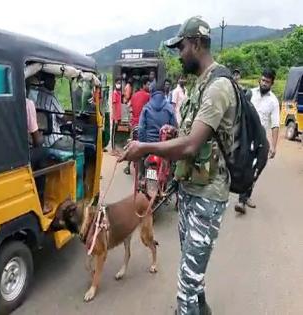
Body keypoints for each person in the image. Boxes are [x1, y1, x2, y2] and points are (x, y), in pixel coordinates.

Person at [119, 16, 237, 315]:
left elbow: (190, 146)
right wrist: (176, 133)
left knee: (186, 283)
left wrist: (145, 147)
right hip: (190, 190)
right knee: (191, 268)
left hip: (207, 196)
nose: (178, 53)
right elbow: (190, 136)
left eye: (181, 47)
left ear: (196, 44)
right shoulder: (201, 85)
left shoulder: (218, 87)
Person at [234, 68, 280, 214]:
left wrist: (273, 145)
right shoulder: (250, 94)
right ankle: (241, 201)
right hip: (246, 136)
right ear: (259, 80)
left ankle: (247, 195)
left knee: (259, 166)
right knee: (247, 166)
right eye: (263, 80)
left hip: (261, 137)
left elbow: (275, 124)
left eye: (267, 81)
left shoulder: (273, 101)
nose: (264, 83)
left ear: (272, 83)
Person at [124, 77, 150, 175]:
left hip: (134, 124)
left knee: (132, 144)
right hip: (143, 126)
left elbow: (129, 107)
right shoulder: (148, 96)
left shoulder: (134, 96)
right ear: (143, 85)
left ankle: (128, 166)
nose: (149, 86)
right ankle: (143, 172)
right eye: (148, 84)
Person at [111, 78, 122, 155]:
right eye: (117, 83)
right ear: (115, 84)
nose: (119, 84)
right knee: (114, 133)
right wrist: (115, 117)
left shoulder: (119, 93)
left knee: (116, 133)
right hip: (115, 116)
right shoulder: (115, 93)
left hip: (118, 116)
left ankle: (115, 149)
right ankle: (113, 149)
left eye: (120, 83)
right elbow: (114, 106)